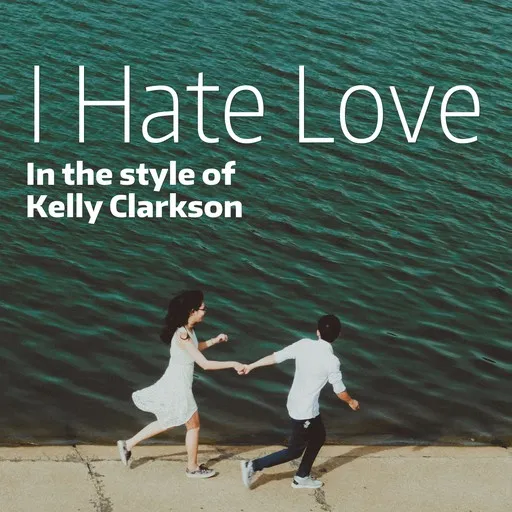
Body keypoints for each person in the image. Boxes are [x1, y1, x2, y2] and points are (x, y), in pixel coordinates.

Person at [117, 289, 244, 478]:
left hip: (177, 380)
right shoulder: (182, 335)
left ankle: (127, 445)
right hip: (178, 384)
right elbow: (204, 364)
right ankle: (192, 468)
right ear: (192, 311)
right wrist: (233, 363)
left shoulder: (188, 330)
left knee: (169, 421)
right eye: (203, 308)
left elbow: (194, 348)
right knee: (193, 425)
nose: (205, 311)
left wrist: (214, 340)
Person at [239, 314, 360, 489]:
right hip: (305, 411)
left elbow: (276, 357)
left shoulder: (304, 344)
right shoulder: (332, 361)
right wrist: (351, 401)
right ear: (338, 335)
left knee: (319, 437)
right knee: (294, 451)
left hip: (295, 402)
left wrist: (250, 366)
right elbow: (339, 391)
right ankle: (253, 466)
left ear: (317, 332)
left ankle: (302, 475)